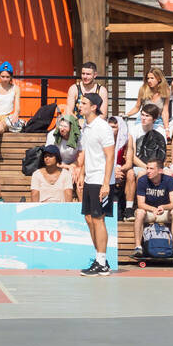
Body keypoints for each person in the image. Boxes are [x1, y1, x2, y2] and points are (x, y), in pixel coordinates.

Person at [76, 92, 115, 275]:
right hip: (89, 178)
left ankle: (101, 262)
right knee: (89, 218)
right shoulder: (86, 126)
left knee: (99, 219)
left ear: (93, 107)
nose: (80, 105)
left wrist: (106, 183)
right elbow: (87, 153)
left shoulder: (103, 127)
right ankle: (101, 259)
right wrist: (82, 173)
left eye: (84, 103)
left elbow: (110, 156)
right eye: (80, 102)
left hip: (101, 179)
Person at [124, 104, 171, 210]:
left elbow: (162, 155)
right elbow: (132, 156)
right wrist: (148, 168)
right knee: (134, 174)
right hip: (140, 165)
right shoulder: (134, 130)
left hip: (157, 166)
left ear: (154, 119)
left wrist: (154, 168)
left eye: (147, 116)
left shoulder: (160, 131)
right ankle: (130, 208)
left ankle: (164, 206)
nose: (143, 118)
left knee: (168, 174)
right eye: (142, 115)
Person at [131, 158, 173, 259]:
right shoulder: (142, 180)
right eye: (147, 168)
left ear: (160, 171)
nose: (148, 171)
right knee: (139, 212)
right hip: (149, 212)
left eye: (151, 169)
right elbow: (140, 204)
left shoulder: (169, 180)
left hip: (164, 211)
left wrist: (163, 207)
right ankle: (138, 247)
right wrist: (152, 209)